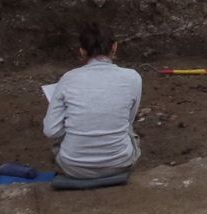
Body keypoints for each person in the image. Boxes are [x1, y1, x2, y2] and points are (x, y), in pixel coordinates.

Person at [43, 24, 142, 180]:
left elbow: (51, 131)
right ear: (114, 47)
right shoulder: (133, 78)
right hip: (120, 164)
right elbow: (129, 119)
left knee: (60, 138)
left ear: (82, 51)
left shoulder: (68, 79)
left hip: (73, 168)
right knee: (128, 129)